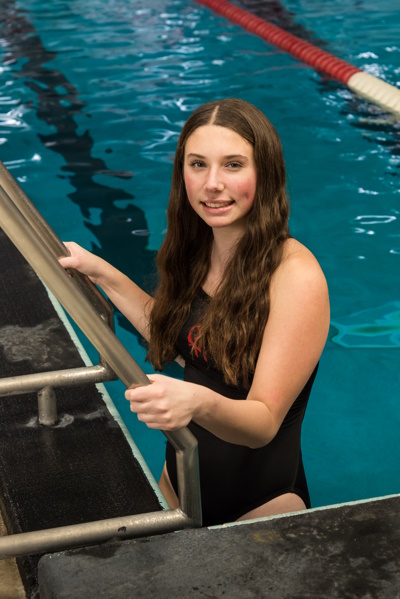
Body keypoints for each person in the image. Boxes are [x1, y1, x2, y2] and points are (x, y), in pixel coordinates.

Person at [59, 98, 330, 527]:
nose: (212, 184)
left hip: (261, 506)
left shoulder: (295, 275)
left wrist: (196, 401)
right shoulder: (197, 249)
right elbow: (180, 339)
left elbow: (263, 422)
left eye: (234, 165)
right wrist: (101, 273)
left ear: (267, 173)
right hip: (179, 483)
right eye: (198, 164)